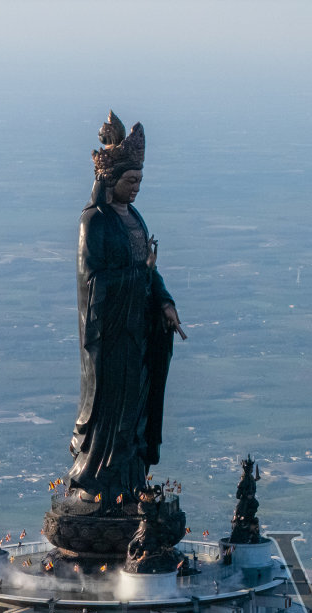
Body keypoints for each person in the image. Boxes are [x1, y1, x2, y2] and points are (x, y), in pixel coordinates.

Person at [66, 111, 185, 503]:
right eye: (129, 181)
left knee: (135, 412)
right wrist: (139, 275)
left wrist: (163, 301)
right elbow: (93, 281)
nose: (135, 189)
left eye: (139, 182)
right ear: (109, 180)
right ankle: (100, 484)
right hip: (111, 338)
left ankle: (132, 482)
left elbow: (150, 269)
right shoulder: (95, 222)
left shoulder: (133, 217)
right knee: (110, 413)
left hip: (137, 334)